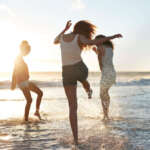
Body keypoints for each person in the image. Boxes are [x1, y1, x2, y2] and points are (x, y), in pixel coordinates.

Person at [54, 20, 122, 145]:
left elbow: (54, 41)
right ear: (84, 30)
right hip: (80, 69)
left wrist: (64, 29)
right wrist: (112, 37)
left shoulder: (62, 37)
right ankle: (88, 88)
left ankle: (75, 140)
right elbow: (94, 42)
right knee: (83, 79)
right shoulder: (80, 37)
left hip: (66, 72)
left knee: (72, 107)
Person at [11, 40, 43, 122]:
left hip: (25, 81)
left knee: (39, 93)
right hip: (22, 82)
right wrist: (13, 83)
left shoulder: (20, 57)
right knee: (29, 100)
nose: (28, 53)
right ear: (23, 49)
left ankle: (36, 111)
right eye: (27, 51)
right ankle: (25, 119)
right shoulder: (18, 58)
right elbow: (15, 70)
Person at [93, 34, 122, 121]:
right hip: (112, 73)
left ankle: (106, 114)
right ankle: (106, 112)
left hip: (106, 73)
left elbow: (100, 61)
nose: (95, 43)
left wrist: (102, 71)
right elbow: (104, 56)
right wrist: (96, 51)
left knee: (102, 94)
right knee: (105, 93)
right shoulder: (110, 48)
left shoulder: (100, 48)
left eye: (96, 41)